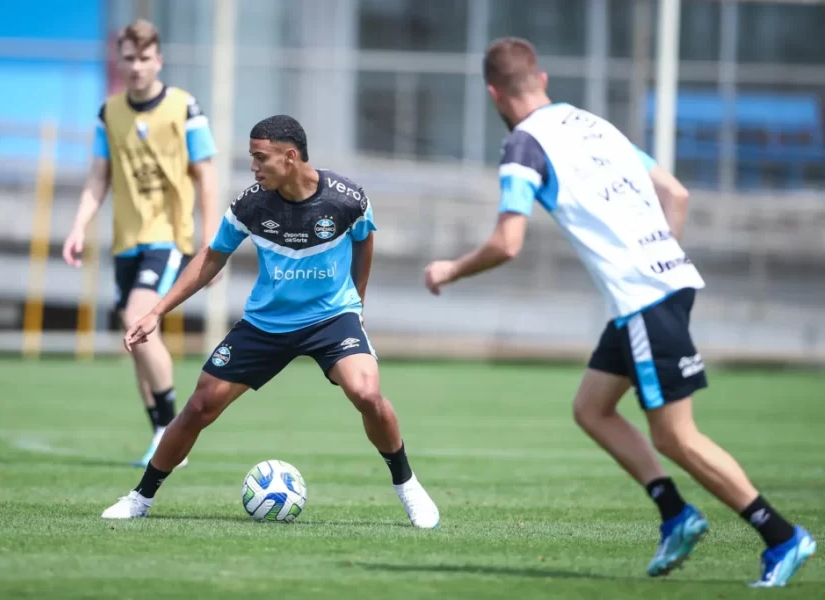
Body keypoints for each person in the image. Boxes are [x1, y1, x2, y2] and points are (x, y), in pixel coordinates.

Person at [423, 37, 815, 586]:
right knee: (592, 408)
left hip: (643, 298)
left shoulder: (522, 146)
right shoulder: (590, 123)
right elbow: (674, 193)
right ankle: (675, 513)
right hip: (663, 283)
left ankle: (781, 536)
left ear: (493, 92)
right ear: (543, 79)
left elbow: (507, 244)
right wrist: (658, 259)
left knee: (676, 437)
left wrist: (450, 269)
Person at [100, 115, 440, 528]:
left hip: (331, 318)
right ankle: (140, 498)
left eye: (261, 158)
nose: (254, 167)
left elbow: (364, 238)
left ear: (290, 157)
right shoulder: (251, 205)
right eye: (252, 158)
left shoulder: (347, 198)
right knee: (200, 406)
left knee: (366, 393)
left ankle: (408, 487)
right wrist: (156, 311)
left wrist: (357, 302)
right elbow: (211, 257)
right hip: (266, 323)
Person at [62, 19, 219, 468]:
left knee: (138, 317)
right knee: (135, 341)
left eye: (144, 58)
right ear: (120, 60)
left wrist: (211, 242)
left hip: (169, 237)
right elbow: (98, 177)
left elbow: (206, 175)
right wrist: (77, 227)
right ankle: (159, 432)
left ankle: (173, 434)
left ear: (159, 60)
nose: (136, 67)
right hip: (126, 242)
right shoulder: (108, 113)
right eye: (128, 58)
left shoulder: (185, 108)